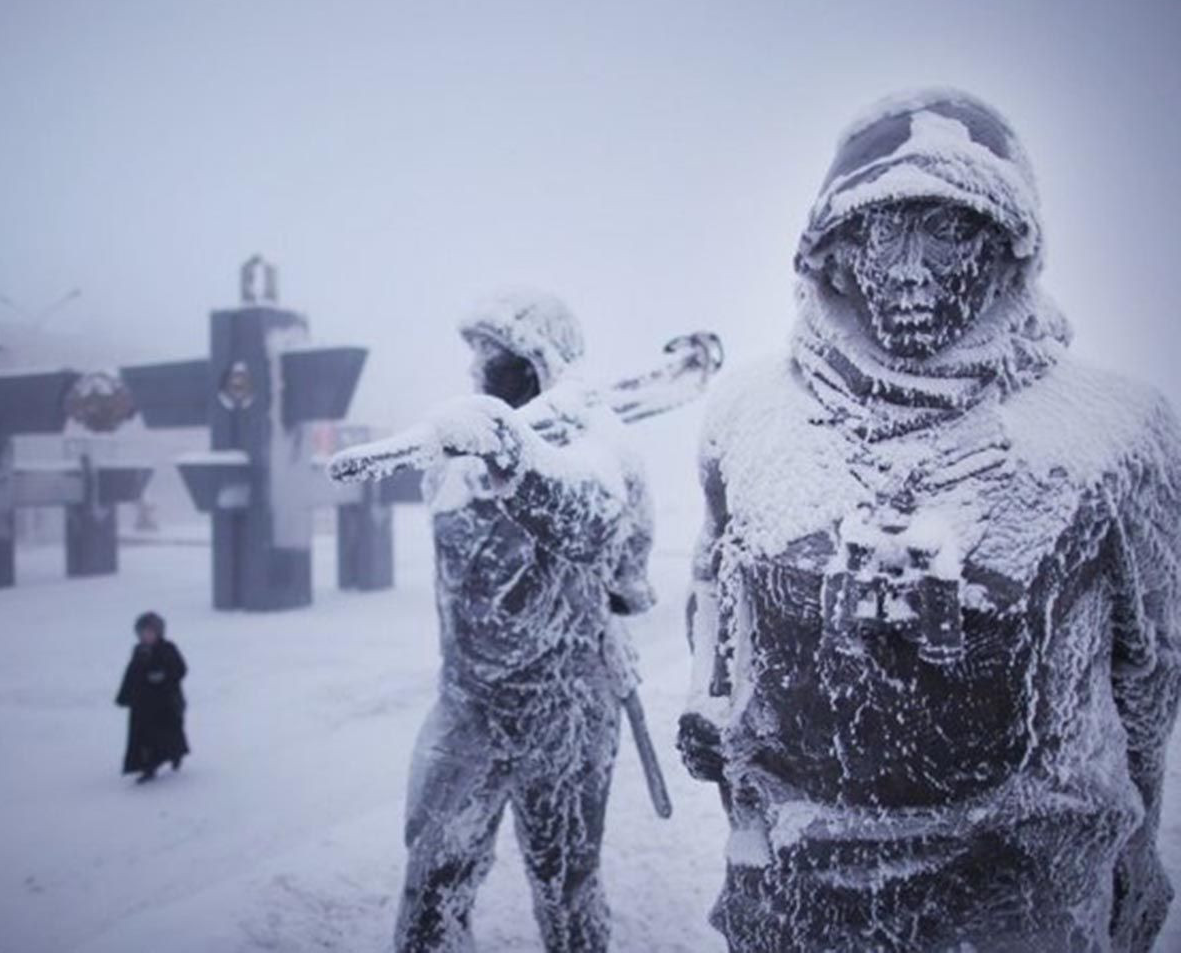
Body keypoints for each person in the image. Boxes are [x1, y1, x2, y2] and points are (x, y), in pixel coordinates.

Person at [678, 89, 1181, 951]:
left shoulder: (1114, 433)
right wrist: (714, 716)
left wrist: (1133, 841)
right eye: (883, 230)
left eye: (947, 231)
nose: (910, 269)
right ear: (835, 252)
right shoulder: (747, 416)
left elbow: (1149, 673)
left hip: (1025, 895)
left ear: (1004, 246)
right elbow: (719, 604)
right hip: (799, 894)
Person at [394, 290, 655, 952]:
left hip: (565, 714)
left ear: (543, 359)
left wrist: (523, 461)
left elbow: (614, 552)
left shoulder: (601, 446)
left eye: (502, 356)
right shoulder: (449, 460)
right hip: (466, 706)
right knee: (431, 886)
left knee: (566, 892)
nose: (486, 369)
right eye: (479, 357)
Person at [116, 611, 189, 784]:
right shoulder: (139, 651)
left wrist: (163, 675)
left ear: (158, 632)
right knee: (144, 737)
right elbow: (131, 674)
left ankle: (175, 755)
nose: (146, 636)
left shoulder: (168, 648)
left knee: (168, 734)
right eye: (143, 633)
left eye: (150, 632)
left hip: (166, 703)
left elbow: (180, 669)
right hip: (143, 704)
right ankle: (148, 767)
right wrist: (125, 695)